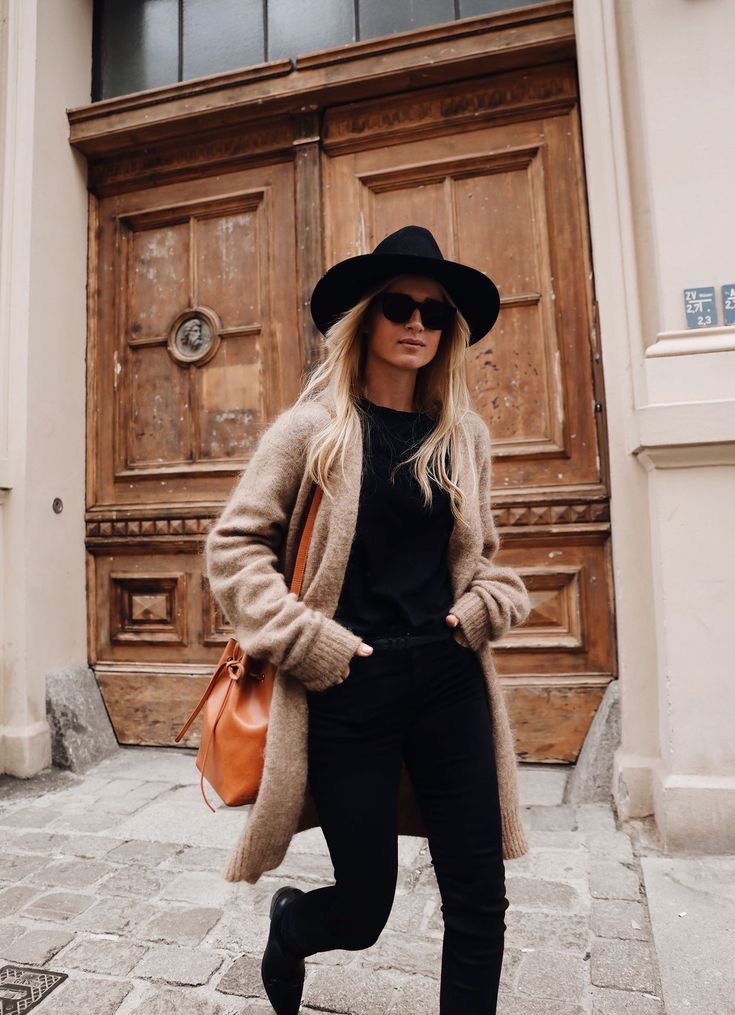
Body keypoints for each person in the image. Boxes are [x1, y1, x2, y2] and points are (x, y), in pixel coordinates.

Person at [203, 225, 532, 1014]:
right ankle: (291, 927)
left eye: (434, 312)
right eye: (397, 306)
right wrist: (305, 640)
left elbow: (483, 559)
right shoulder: (314, 430)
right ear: (366, 318)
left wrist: (484, 606)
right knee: (363, 910)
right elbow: (233, 548)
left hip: (450, 680)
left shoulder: (462, 439)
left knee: (480, 897)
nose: (416, 323)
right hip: (349, 686)